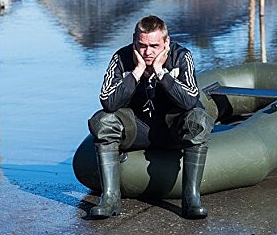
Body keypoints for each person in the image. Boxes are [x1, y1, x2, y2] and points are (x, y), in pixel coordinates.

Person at [87, 15, 214, 219]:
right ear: (134, 40)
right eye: (142, 45)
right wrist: (137, 72)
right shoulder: (121, 57)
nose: (147, 52)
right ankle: (110, 198)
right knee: (103, 121)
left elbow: (190, 100)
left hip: (172, 127)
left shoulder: (182, 57)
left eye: (154, 46)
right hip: (138, 128)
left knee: (198, 119)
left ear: (166, 42)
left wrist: (160, 72)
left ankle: (191, 199)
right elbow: (108, 101)